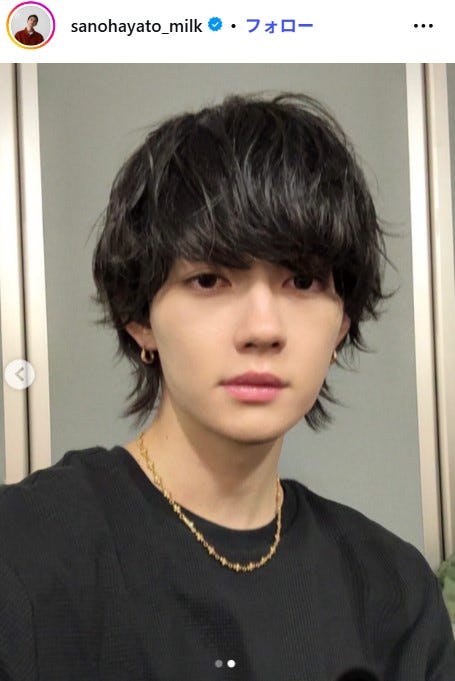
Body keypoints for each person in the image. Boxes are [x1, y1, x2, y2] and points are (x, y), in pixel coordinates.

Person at [0, 93, 454, 681]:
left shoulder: (393, 589)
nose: (263, 329)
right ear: (140, 318)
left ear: (342, 324)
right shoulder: (25, 553)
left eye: (302, 280)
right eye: (210, 279)